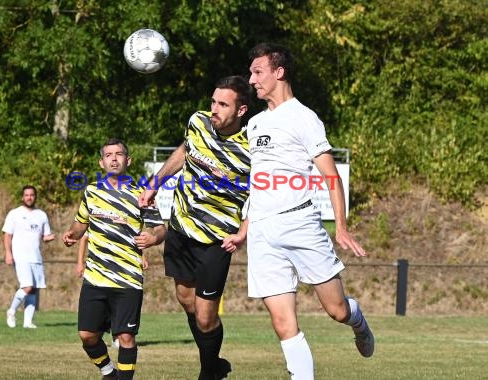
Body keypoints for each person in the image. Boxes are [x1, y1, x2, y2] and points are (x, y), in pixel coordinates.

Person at [236, 42, 375, 379]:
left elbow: (330, 176)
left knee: (337, 311)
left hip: (300, 224)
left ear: (278, 72)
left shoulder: (304, 118)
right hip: (263, 234)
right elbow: (258, 183)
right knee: (283, 323)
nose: (252, 80)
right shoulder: (254, 124)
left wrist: (340, 226)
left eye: (258, 72)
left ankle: (358, 322)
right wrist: (246, 227)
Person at [139, 76, 253, 380]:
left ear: (241, 110)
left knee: (205, 316)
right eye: (213, 101)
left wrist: (243, 232)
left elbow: (262, 197)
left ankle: (208, 371)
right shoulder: (199, 122)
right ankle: (215, 366)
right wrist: (155, 182)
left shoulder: (252, 148)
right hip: (180, 227)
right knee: (186, 300)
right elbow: (185, 151)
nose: (214, 108)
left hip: (216, 240)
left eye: (223, 104)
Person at [63, 138, 166, 380]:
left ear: (128, 160)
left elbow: (161, 229)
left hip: (128, 278)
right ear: (101, 162)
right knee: (87, 335)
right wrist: (72, 235)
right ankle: (108, 373)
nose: (114, 158)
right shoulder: (91, 192)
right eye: (109, 154)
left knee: (126, 337)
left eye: (119, 154)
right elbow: (80, 225)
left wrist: (153, 238)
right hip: (95, 277)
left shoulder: (142, 194)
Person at [3, 185, 55, 329]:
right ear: (22, 197)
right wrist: (8, 253)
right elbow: (7, 235)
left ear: (35, 197)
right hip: (20, 256)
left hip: (35, 256)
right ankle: (11, 310)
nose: (29, 197)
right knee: (27, 286)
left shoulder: (41, 215)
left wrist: (50, 238)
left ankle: (28, 322)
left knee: (34, 289)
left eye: (32, 195)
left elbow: (45, 236)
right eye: (26, 195)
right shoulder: (14, 214)